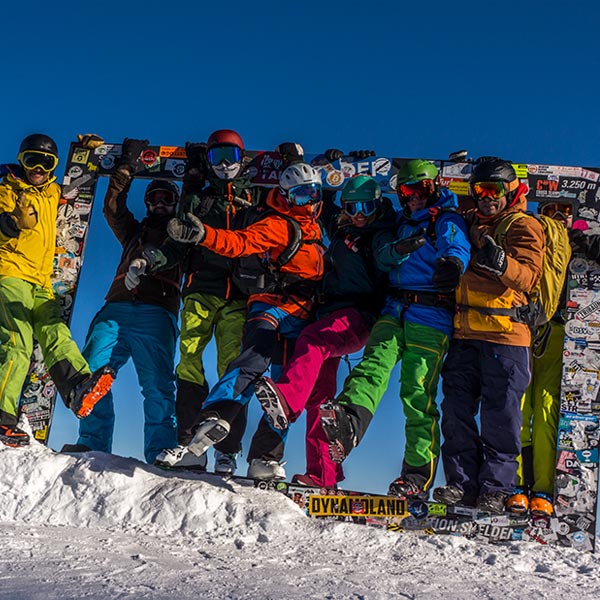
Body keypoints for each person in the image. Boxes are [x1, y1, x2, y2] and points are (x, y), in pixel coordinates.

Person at [161, 161, 326, 480]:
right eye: (302, 194)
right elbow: (240, 243)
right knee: (253, 357)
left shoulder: (319, 228)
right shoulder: (279, 224)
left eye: (315, 193)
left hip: (303, 315)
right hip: (272, 306)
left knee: (285, 388)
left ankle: (265, 457)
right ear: (287, 196)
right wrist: (204, 234)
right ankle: (215, 415)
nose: (311, 201)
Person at [319, 159, 471, 499]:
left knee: (416, 392)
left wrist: (452, 264)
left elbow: (456, 245)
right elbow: (382, 254)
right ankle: (350, 419)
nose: (413, 197)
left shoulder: (444, 219)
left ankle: (416, 475)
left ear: (434, 187)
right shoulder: (399, 221)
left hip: (430, 314)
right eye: (405, 190)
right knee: (373, 363)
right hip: (394, 307)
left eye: (420, 189)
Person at [251, 173, 396, 487]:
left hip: (358, 314)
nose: (359, 215)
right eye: (352, 207)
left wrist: (399, 249)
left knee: (313, 341)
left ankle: (287, 402)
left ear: (378, 206)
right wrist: (333, 168)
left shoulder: (380, 234)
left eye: (366, 207)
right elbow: (321, 201)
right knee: (321, 397)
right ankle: (323, 475)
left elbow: (388, 256)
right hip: (328, 313)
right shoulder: (342, 227)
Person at [136, 130, 256, 473]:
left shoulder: (254, 197)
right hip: (202, 288)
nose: (223, 166)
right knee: (188, 360)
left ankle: (227, 450)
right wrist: (154, 260)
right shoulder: (198, 202)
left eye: (230, 157)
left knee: (230, 369)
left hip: (239, 293)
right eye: (216, 158)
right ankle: (190, 444)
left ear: (241, 159)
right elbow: (177, 244)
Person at [433, 157, 545, 514]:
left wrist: (502, 264)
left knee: (501, 415)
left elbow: (529, 277)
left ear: (511, 190)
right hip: (466, 335)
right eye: (479, 189)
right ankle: (460, 485)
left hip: (506, 337)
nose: (486, 197)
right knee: (456, 409)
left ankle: (496, 487)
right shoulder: (467, 224)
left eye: (494, 190)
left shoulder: (522, 225)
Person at [61, 138, 183, 464]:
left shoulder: (183, 235)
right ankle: (92, 442)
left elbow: (178, 253)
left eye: (167, 199)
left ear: (175, 204)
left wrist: (197, 175)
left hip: (156, 314)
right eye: (154, 199)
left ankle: (160, 452)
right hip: (115, 309)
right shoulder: (134, 231)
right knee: (91, 372)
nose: (159, 204)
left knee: (157, 385)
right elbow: (112, 207)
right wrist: (125, 168)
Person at [0, 134, 115, 447]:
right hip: (8, 273)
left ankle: (78, 387)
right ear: (21, 160)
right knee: (17, 342)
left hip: (40, 280)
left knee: (56, 332)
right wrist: (9, 223)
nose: (38, 167)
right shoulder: (7, 187)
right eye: (31, 160)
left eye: (46, 162)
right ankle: (2, 417)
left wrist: (92, 154)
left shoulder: (51, 190)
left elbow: (75, 187)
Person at [506, 201, 574, 517]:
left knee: (547, 409)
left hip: (561, 333)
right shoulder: (531, 237)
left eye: (565, 210)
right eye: (551, 208)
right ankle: (517, 487)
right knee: (519, 406)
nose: (559, 216)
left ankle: (544, 489)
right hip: (524, 327)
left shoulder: (580, 246)